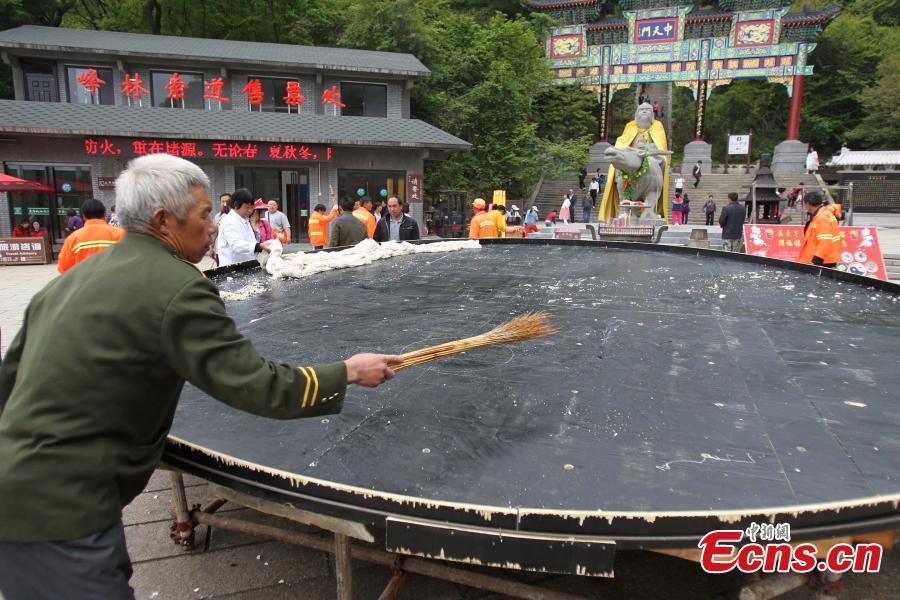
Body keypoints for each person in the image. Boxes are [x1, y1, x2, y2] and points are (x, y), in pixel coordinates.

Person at [0, 153, 399, 600]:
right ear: (163, 220)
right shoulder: (177, 285)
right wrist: (346, 372)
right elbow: (258, 385)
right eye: (206, 214)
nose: (214, 225)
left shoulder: (68, 282)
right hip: (61, 509)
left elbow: (9, 381)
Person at [57, 198, 125, 274]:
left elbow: (63, 268)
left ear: (83, 216)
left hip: (84, 283)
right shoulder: (120, 234)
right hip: (114, 283)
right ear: (104, 214)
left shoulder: (72, 239)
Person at [217, 189, 274, 266]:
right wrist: (257, 246)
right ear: (236, 205)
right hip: (232, 269)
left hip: (245, 266)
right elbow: (236, 245)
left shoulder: (244, 220)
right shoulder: (230, 221)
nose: (250, 211)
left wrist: (265, 245)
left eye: (252, 207)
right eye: (247, 207)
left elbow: (251, 242)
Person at [798, 192, 840, 268]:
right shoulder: (823, 215)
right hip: (825, 259)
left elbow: (825, 241)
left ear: (807, 204)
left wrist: (816, 261)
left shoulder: (821, 218)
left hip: (822, 261)